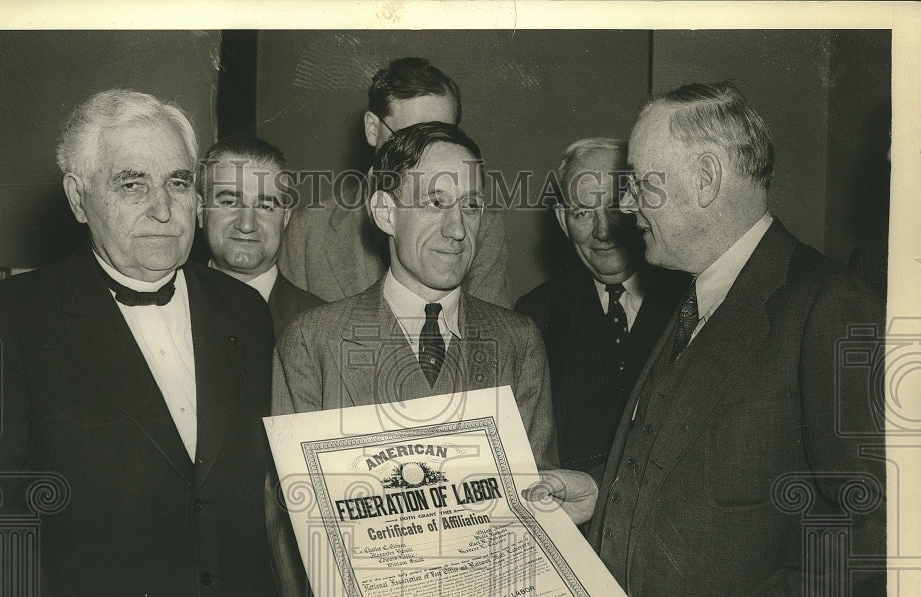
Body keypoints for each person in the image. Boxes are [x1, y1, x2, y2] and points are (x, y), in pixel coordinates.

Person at [539, 81, 885, 597]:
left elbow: (876, 516)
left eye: (641, 182)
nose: (626, 203)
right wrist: (600, 486)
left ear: (705, 178)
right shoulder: (697, 296)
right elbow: (698, 450)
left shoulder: (827, 302)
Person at [0, 89, 279, 597]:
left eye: (179, 183)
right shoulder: (7, 320)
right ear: (78, 199)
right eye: (132, 184)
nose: (164, 209)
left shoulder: (245, 313)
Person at [269, 121, 570, 597]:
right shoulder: (315, 342)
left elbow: (533, 512)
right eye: (434, 202)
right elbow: (292, 520)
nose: (458, 229)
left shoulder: (517, 342)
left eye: (471, 205)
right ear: (383, 210)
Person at [278, 56, 512, 308]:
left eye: (443, 134)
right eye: (408, 137)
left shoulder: (483, 229)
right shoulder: (308, 231)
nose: (427, 152)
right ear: (372, 128)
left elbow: (491, 334)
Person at [516, 138, 688, 480]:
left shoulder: (691, 298)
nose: (603, 231)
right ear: (564, 222)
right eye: (582, 213)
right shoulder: (535, 314)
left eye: (614, 208)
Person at [197, 133, 323, 334]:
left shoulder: (324, 326)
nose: (247, 225)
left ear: (285, 218)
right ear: (200, 211)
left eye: (265, 206)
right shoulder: (165, 312)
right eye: (230, 202)